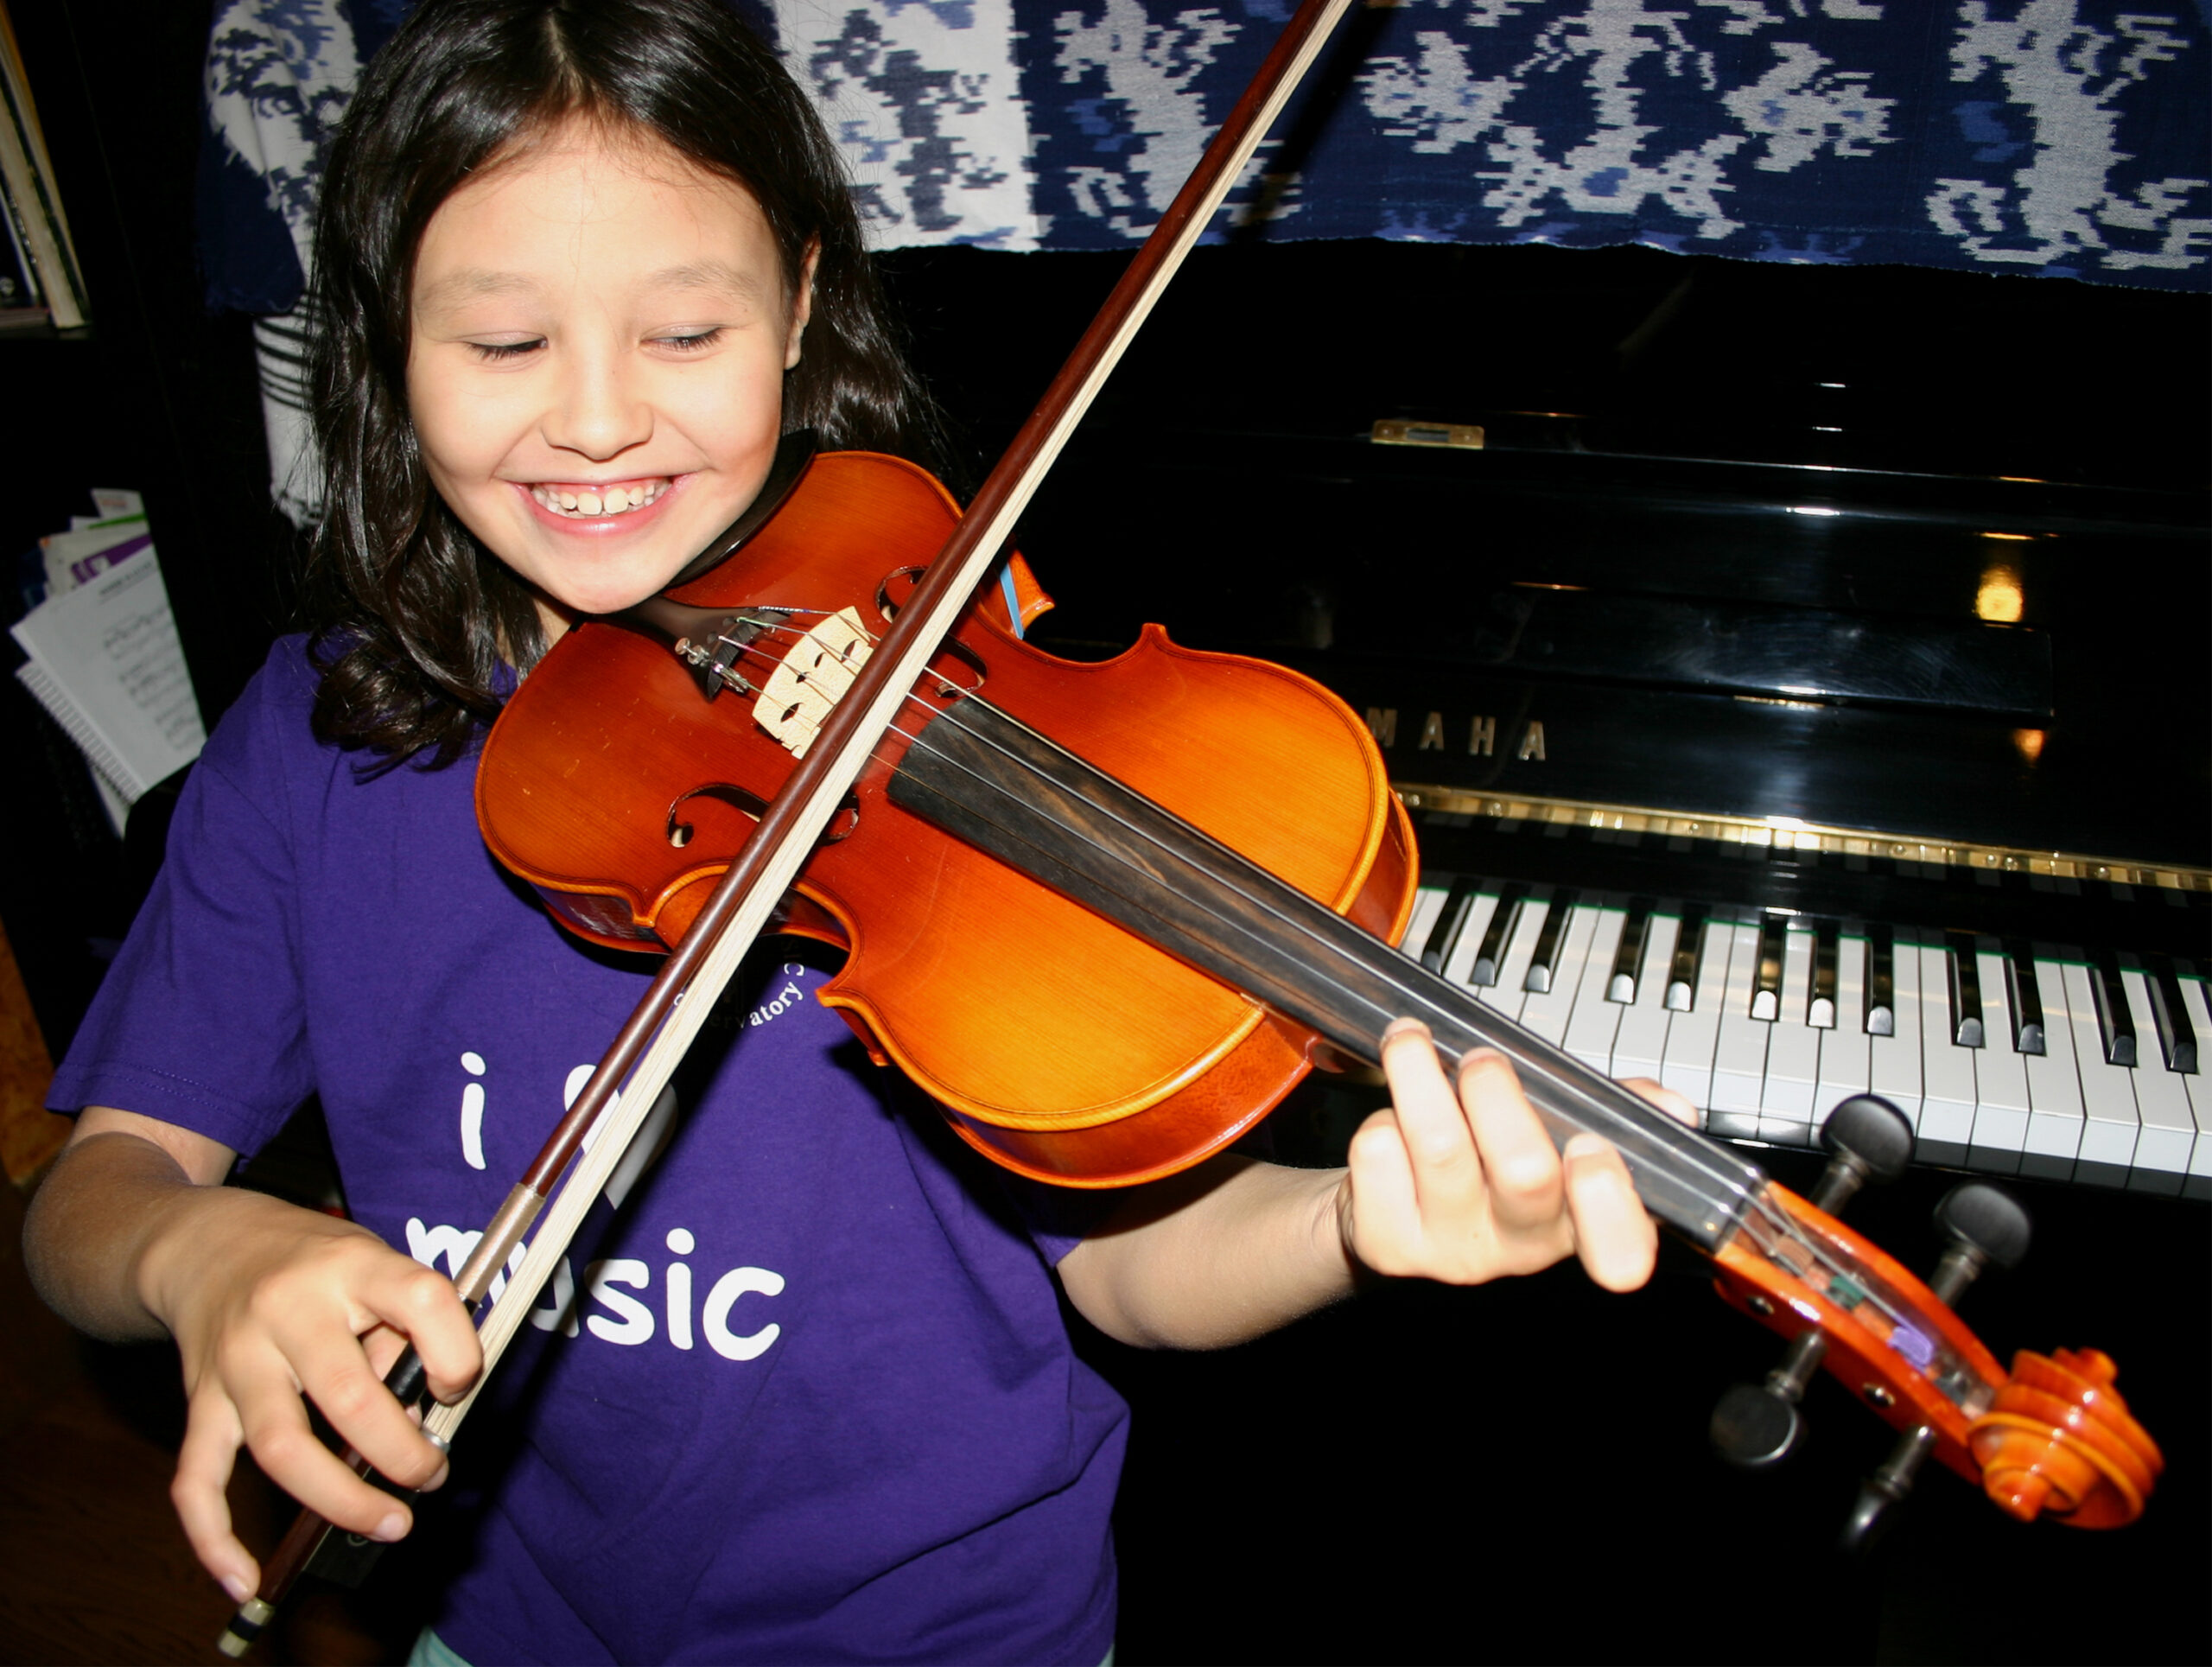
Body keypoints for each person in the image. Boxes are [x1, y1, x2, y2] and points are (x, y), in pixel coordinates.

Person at [22, 2, 1693, 1661]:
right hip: (510, 1621)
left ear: (801, 301)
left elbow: (1128, 1265)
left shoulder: (958, 707)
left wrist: (1344, 1225)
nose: (598, 421)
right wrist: (194, 1244)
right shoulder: (312, 744)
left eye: (685, 335)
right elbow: (87, 1195)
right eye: (505, 343)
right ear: (387, 340)